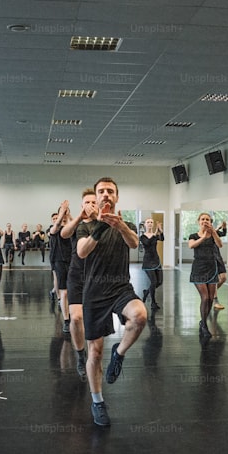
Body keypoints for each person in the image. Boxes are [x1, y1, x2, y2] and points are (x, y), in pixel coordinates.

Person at [76, 177, 147, 426]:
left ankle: (119, 353)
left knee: (140, 315)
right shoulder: (86, 226)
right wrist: (102, 227)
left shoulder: (124, 224)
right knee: (94, 351)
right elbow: (82, 252)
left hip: (120, 287)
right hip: (94, 293)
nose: (106, 195)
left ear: (116, 197)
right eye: (101, 192)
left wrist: (120, 227)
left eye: (110, 191)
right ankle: (97, 402)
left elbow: (135, 243)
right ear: (95, 198)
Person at [60, 189, 97, 382]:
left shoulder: (103, 224)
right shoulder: (77, 225)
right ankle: (80, 355)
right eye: (87, 202)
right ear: (82, 205)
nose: (90, 205)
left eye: (93, 202)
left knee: (92, 320)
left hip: (97, 277)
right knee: (76, 318)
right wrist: (77, 218)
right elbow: (64, 234)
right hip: (76, 275)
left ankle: (93, 354)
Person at [188, 213, 223, 337]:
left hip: (211, 268)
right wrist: (203, 237)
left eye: (207, 219)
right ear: (198, 221)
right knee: (205, 297)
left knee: (210, 298)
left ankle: (203, 322)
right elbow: (192, 245)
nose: (205, 221)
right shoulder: (193, 235)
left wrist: (213, 232)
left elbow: (220, 244)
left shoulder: (213, 235)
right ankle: (204, 325)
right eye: (203, 219)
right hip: (199, 269)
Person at [47, 205, 71, 332]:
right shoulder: (53, 229)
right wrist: (62, 213)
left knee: (73, 291)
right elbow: (55, 227)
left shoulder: (72, 228)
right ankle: (66, 320)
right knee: (64, 292)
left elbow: (75, 225)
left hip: (73, 261)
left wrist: (69, 214)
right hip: (59, 261)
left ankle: (71, 313)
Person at [139, 217, 164, 310]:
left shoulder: (155, 235)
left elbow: (162, 238)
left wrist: (160, 230)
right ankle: (153, 303)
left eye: (151, 222)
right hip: (148, 262)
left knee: (159, 282)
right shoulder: (142, 236)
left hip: (156, 260)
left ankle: (146, 292)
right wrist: (155, 233)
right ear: (145, 224)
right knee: (153, 282)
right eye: (148, 222)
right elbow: (148, 243)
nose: (150, 223)